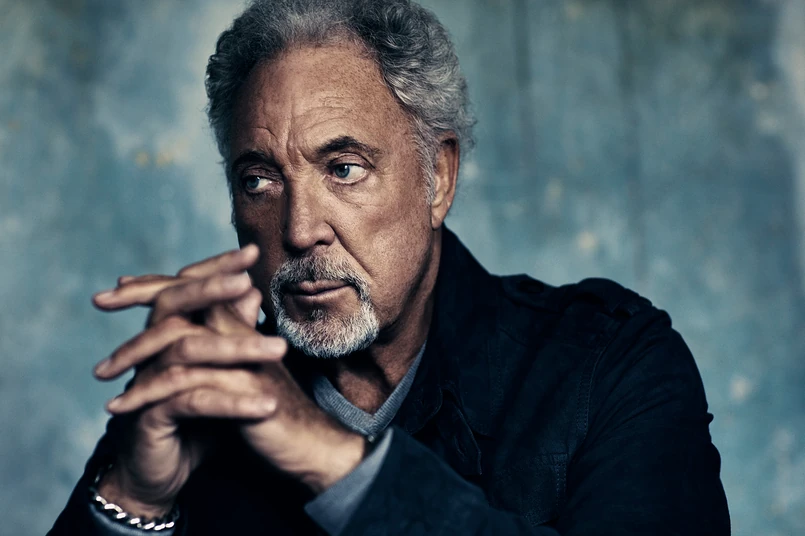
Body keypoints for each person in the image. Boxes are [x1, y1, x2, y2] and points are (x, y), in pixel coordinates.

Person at [50, 0, 730, 534]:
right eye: (259, 180)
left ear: (438, 178)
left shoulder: (610, 364)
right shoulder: (195, 389)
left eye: (344, 169)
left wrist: (327, 457)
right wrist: (132, 498)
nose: (300, 230)